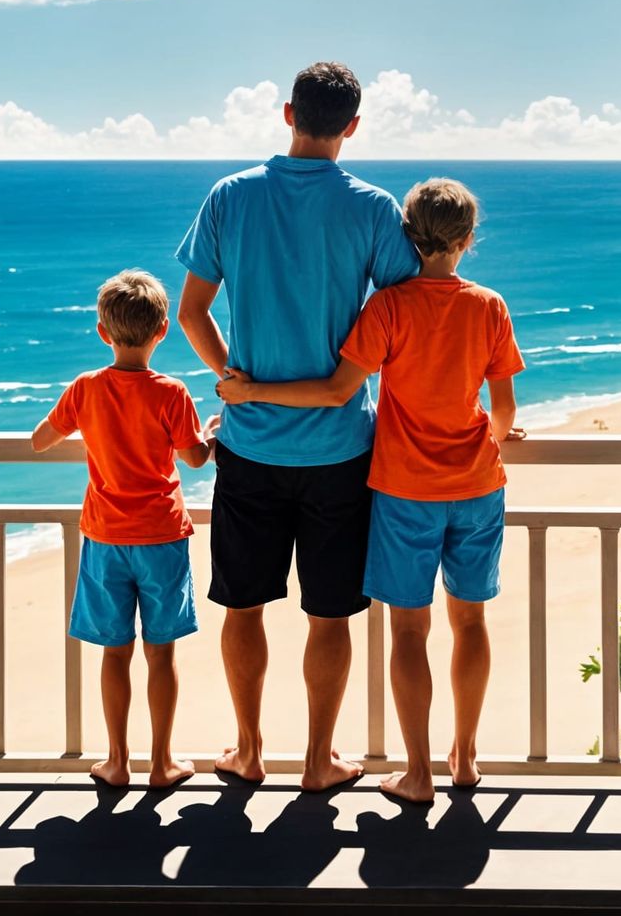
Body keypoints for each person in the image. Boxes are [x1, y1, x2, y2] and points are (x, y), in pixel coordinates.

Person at [217, 178, 524, 804]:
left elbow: (338, 391)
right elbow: (502, 413)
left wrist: (250, 393)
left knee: (410, 633)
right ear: (469, 239)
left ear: (407, 237)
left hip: (405, 490)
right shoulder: (489, 306)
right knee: (470, 622)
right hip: (477, 485)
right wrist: (491, 435)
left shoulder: (387, 308)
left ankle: (419, 774)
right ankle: (465, 758)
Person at [175, 61, 422, 792]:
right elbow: (406, 311)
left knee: (243, 605)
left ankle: (249, 751)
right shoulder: (372, 208)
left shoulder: (230, 196)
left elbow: (190, 312)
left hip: (249, 444)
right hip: (341, 448)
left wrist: (232, 378)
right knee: (330, 615)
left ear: (288, 113)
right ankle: (319, 761)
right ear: (353, 126)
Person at [32, 269, 215, 789]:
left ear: (102, 332)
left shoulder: (86, 388)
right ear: (162, 331)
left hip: (106, 536)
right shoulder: (171, 392)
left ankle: (116, 762)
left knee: (116, 651)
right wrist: (211, 435)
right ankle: (162, 763)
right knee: (162, 653)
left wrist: (93, 428)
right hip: (161, 536)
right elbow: (194, 459)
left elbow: (40, 440)